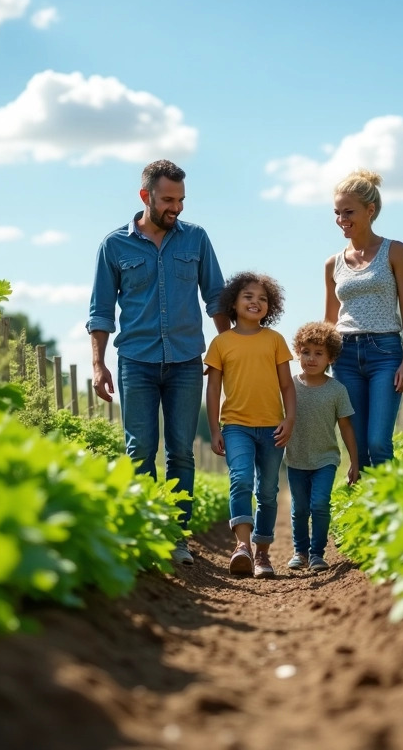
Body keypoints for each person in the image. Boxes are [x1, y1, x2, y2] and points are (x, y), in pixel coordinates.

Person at [87, 159, 229, 566]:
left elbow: (216, 298)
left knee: (182, 452)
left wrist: (228, 351)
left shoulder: (196, 239)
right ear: (145, 196)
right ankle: (145, 533)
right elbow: (100, 312)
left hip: (186, 361)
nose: (177, 208)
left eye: (181, 200)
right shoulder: (114, 246)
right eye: (168, 200)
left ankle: (178, 537)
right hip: (137, 361)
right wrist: (98, 364)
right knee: (139, 450)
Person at [324, 169, 403, 471]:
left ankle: (393, 510)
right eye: (337, 212)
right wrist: (316, 366)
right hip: (345, 356)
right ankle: (367, 513)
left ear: (370, 210)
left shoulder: (395, 251)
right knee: (358, 450)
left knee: (379, 442)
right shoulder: (333, 264)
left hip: (386, 353)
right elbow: (329, 319)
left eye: (348, 212)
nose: (341, 219)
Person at [205, 272, 296, 579]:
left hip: (272, 427)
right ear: (233, 302)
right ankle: (242, 546)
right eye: (248, 297)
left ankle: (263, 555)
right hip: (235, 426)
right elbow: (213, 390)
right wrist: (215, 429)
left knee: (268, 491)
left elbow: (287, 386)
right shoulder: (220, 343)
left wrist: (290, 419)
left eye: (263, 299)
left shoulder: (275, 340)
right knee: (241, 479)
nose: (256, 302)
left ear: (271, 306)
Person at [285, 321, 359, 573]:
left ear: (331, 358)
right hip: (295, 458)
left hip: (326, 459)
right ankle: (300, 552)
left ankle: (317, 554)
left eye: (319, 353)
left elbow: (347, 427)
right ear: (298, 352)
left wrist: (354, 461)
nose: (311, 359)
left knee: (319, 503)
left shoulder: (337, 390)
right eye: (306, 352)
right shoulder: (289, 386)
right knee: (300, 508)